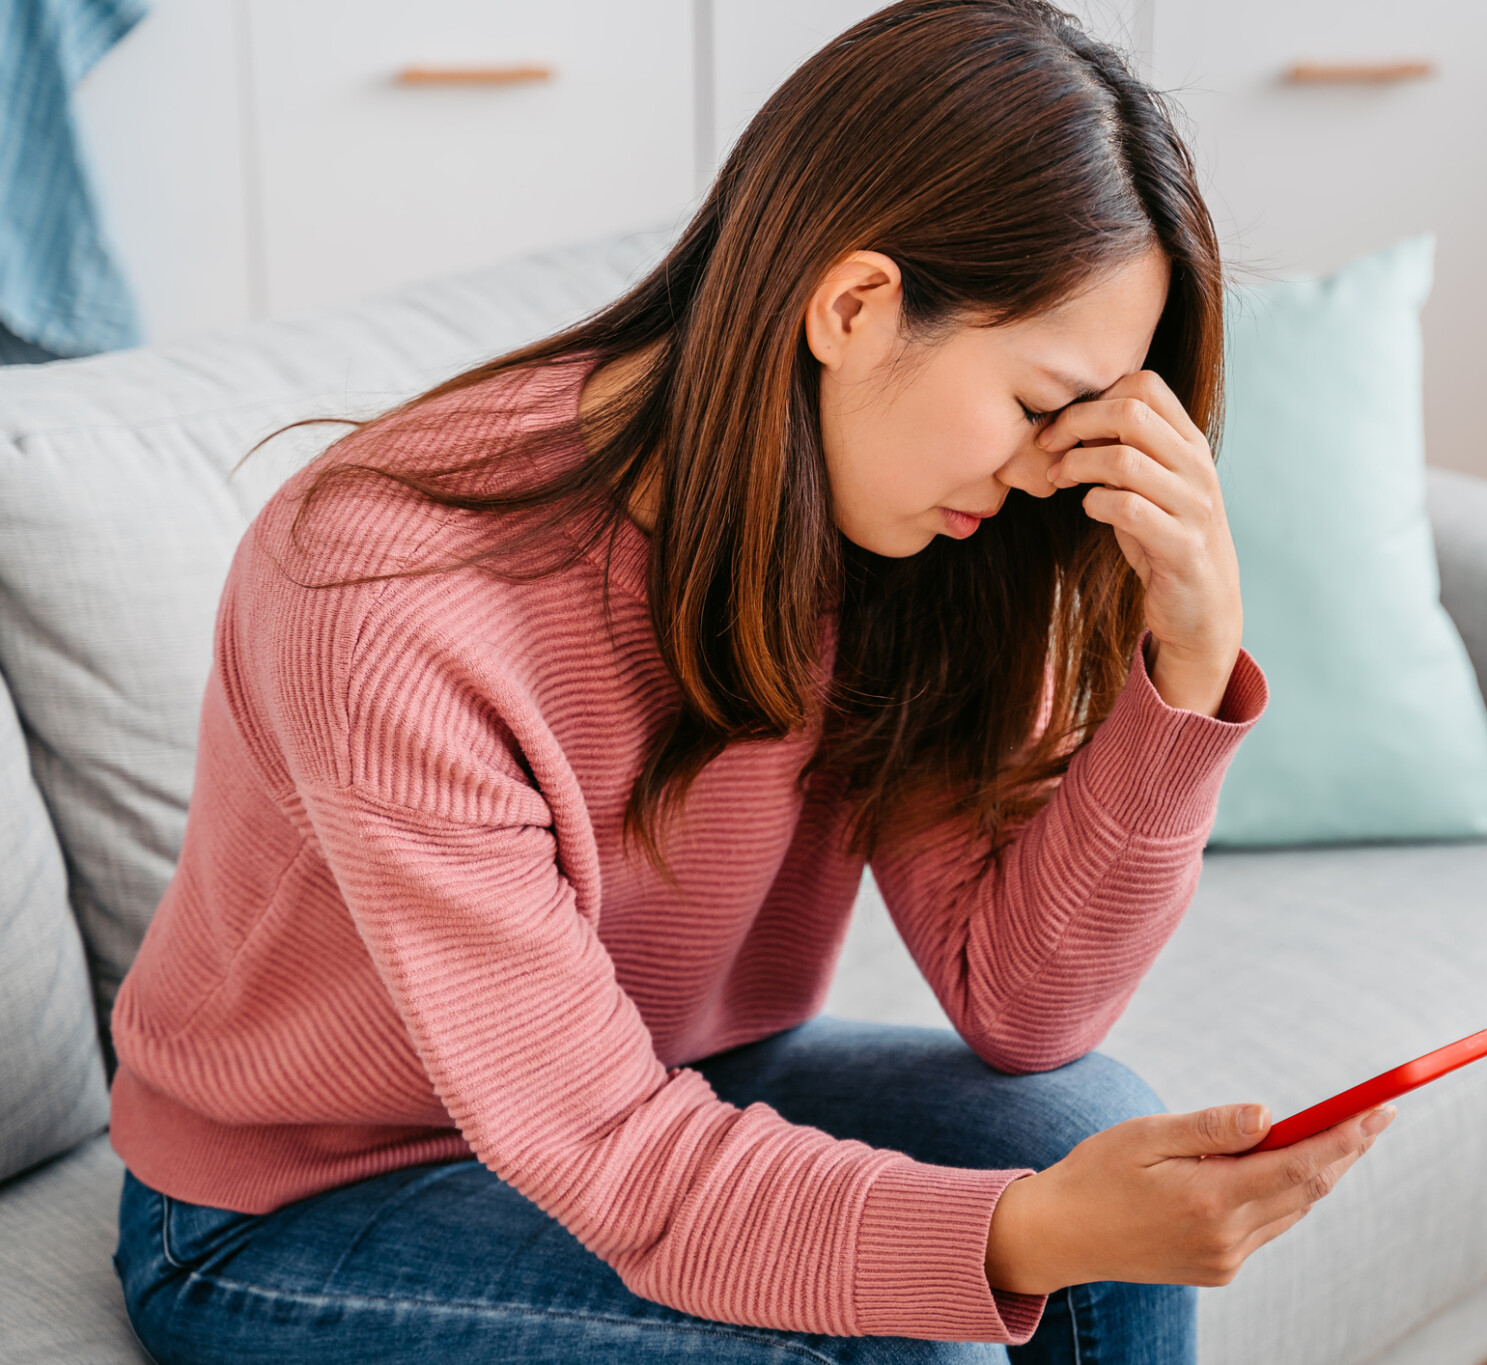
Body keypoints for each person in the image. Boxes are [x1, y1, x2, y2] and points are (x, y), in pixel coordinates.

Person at [106, 2, 1395, 1361]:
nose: (1042, 474)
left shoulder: (904, 530)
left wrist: (1185, 661)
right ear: (853, 306)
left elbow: (1027, 1010)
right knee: (914, 1332)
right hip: (293, 1206)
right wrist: (1024, 1232)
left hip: (656, 1078)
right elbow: (605, 1145)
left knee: (1079, 1129)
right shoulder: (386, 589)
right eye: (1035, 406)